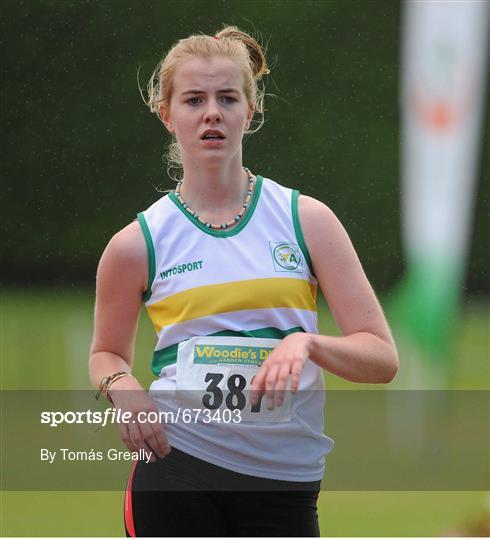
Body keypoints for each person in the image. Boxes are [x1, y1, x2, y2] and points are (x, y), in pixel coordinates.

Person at [89, 25, 399, 537]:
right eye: (194, 99)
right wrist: (124, 389)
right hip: (178, 463)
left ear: (248, 112)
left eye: (227, 97)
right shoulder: (136, 244)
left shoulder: (307, 220)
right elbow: (106, 353)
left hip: (283, 480)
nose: (212, 111)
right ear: (167, 115)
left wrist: (308, 344)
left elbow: (382, 359)